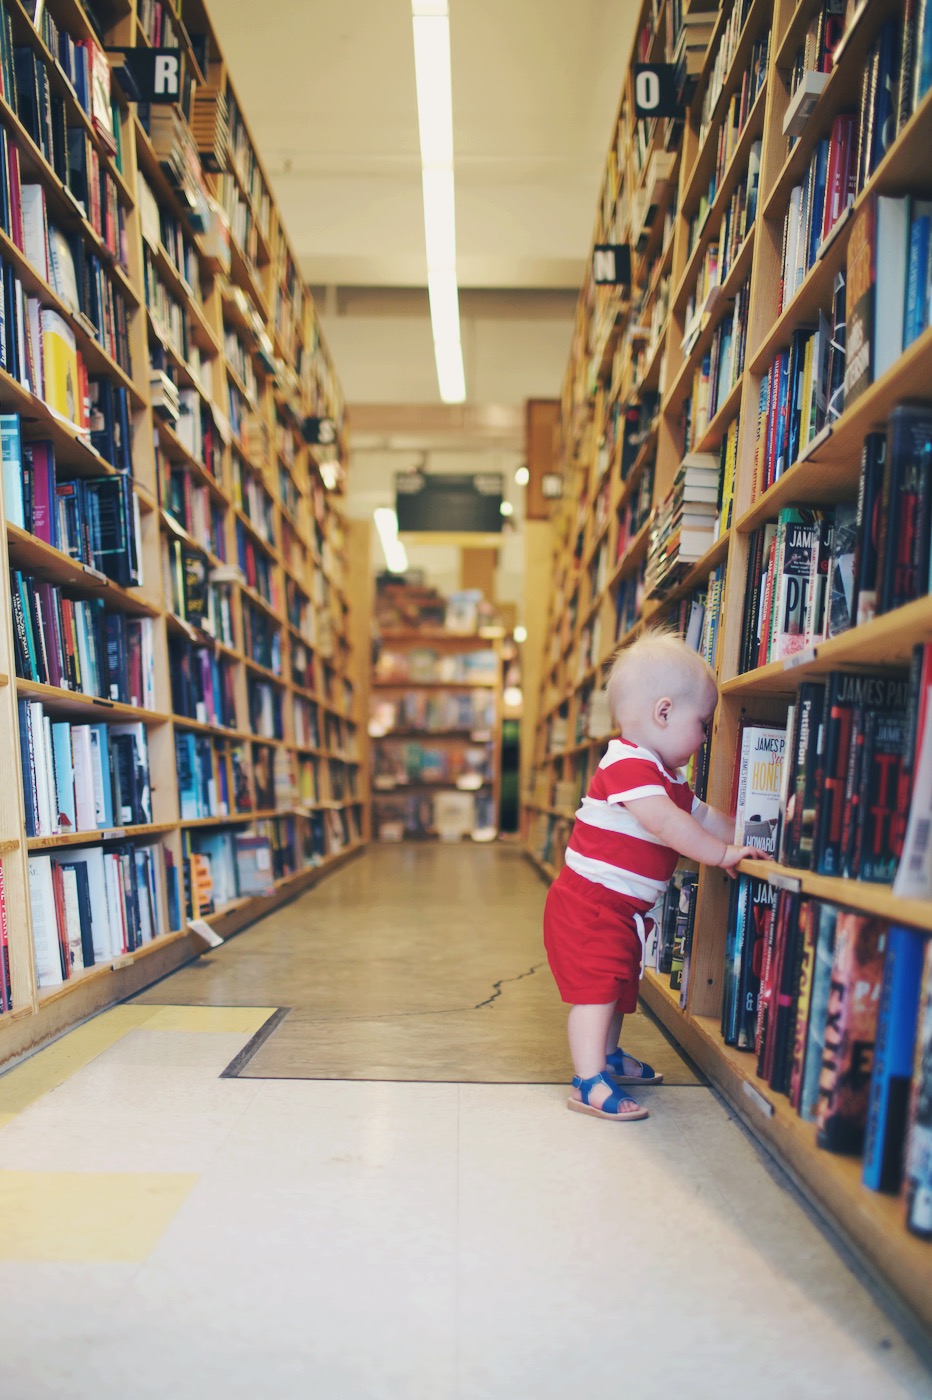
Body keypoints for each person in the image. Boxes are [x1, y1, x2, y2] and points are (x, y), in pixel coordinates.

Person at [543, 627, 766, 1120]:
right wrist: (719, 855)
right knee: (597, 994)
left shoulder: (665, 775)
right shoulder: (626, 765)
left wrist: (749, 838)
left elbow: (703, 816)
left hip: (624, 909)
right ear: (664, 713)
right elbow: (670, 824)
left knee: (621, 988)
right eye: (703, 723)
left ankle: (606, 1057)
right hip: (589, 905)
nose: (706, 736)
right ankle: (588, 1081)